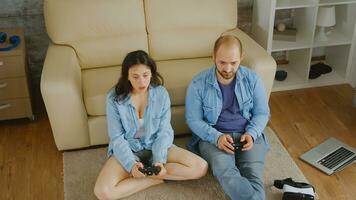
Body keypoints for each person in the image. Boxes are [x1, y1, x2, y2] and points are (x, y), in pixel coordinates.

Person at [94, 50, 208, 200]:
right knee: (103, 191)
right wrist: (131, 165)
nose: (142, 82)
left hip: (155, 144)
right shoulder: (114, 98)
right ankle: (154, 179)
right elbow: (117, 137)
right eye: (135, 76)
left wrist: (159, 160)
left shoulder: (161, 94)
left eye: (145, 75)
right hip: (129, 149)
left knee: (200, 167)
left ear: (152, 73)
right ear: (127, 76)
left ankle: (153, 171)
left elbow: (164, 131)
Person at [185, 35, 270, 200]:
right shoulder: (198, 83)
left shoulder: (253, 80)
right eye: (222, 62)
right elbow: (193, 120)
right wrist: (217, 138)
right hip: (213, 138)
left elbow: (262, 113)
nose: (228, 69)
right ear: (213, 57)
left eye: (233, 63)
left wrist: (252, 133)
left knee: (253, 174)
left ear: (242, 58)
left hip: (248, 135)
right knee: (226, 172)